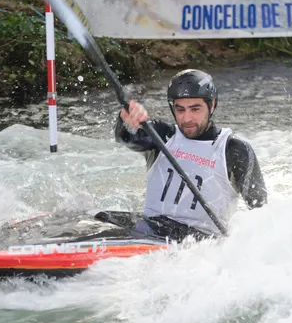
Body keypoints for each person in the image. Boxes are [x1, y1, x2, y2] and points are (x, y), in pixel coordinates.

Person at [114, 68, 267, 240]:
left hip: (199, 243)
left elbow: (261, 212)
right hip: (152, 229)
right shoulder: (162, 136)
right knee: (103, 217)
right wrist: (127, 120)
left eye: (195, 109)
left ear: (212, 105)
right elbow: (126, 138)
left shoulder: (235, 150)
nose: (187, 118)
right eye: (180, 109)